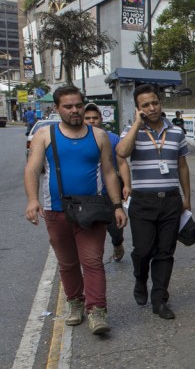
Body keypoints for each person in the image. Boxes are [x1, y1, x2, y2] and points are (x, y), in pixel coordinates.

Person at [24, 86, 127, 335]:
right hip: (56, 211)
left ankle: (97, 311)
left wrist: (117, 205)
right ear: (57, 108)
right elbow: (32, 169)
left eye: (78, 105)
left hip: (91, 210)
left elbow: (109, 172)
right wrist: (32, 200)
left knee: (92, 261)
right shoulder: (44, 135)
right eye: (68, 106)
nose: (74, 111)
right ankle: (75, 303)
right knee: (68, 263)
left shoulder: (99, 136)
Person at [116, 85, 191, 320]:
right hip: (142, 201)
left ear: (161, 103)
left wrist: (186, 197)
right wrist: (138, 124)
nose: (152, 108)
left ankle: (159, 299)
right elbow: (121, 152)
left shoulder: (176, 132)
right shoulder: (131, 131)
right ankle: (140, 279)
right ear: (138, 109)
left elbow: (182, 166)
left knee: (165, 252)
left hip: (170, 199)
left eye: (155, 103)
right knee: (143, 250)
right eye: (145, 105)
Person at [83, 103, 131, 261]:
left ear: (101, 119)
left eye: (95, 118)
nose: (91, 121)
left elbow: (122, 162)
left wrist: (127, 184)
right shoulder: (76, 139)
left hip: (110, 193)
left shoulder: (113, 138)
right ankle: (93, 258)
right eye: (87, 118)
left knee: (115, 227)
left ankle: (118, 243)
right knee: (91, 229)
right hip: (87, 195)